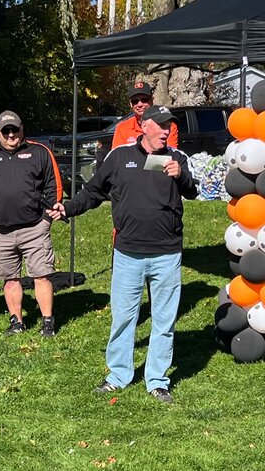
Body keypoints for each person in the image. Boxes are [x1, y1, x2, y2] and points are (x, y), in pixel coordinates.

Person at [49, 105, 198, 403]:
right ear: (144, 126)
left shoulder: (176, 159)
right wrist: (68, 208)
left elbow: (193, 192)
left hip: (166, 253)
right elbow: (92, 192)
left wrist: (180, 177)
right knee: (123, 318)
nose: (167, 131)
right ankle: (118, 375)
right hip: (128, 253)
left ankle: (157, 379)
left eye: (169, 126)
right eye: (161, 126)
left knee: (164, 321)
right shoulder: (120, 157)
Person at [0, 110, 63, 337]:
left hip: (35, 228)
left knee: (41, 275)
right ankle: (17, 322)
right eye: (6, 131)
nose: (11, 135)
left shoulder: (40, 152)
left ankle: (48, 322)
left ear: (22, 129)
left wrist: (46, 218)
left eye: (15, 129)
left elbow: (54, 187)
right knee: (10, 279)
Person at [112, 81, 178, 149]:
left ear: (152, 100)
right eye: (135, 101)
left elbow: (170, 154)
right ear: (131, 104)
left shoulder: (168, 126)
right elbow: (117, 157)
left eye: (144, 100)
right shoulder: (122, 128)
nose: (140, 104)